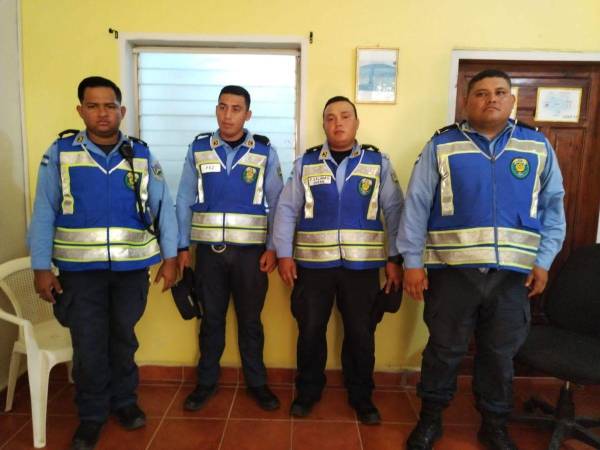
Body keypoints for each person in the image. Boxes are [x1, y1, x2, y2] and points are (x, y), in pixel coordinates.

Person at [398, 69, 566, 450]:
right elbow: (417, 205)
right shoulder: (442, 145)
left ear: (512, 100)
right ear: (466, 101)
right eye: (481, 93)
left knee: (499, 356)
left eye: (500, 92)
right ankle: (430, 419)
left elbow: (555, 209)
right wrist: (411, 261)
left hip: (513, 278)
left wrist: (544, 260)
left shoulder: (537, 146)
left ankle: (494, 424)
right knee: (443, 351)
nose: (491, 99)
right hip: (452, 274)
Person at [28, 76, 178, 450]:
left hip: (130, 271)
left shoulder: (141, 156)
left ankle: (125, 403)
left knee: (123, 339)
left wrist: (171, 258)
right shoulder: (60, 154)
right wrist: (41, 266)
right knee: (89, 344)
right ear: (80, 110)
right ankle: (92, 415)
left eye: (109, 106)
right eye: (93, 106)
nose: (102, 113)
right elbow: (43, 211)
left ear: (121, 111)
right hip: (79, 275)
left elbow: (165, 209)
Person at [273, 95, 404, 424]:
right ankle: (308, 392)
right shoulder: (306, 163)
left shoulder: (378, 163)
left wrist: (395, 259)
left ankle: (362, 396)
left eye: (345, 116)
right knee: (310, 331)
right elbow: (287, 209)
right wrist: (285, 254)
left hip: (362, 269)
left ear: (357, 123)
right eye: (330, 117)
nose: (338, 122)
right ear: (323, 125)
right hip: (313, 268)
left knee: (361, 334)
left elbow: (395, 211)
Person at [176, 85, 284, 412]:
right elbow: (183, 198)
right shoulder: (198, 148)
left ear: (247, 114)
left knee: (250, 321)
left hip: (252, 257)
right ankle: (206, 383)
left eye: (236, 109)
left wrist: (274, 248)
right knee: (211, 321)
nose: (228, 115)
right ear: (216, 110)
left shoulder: (265, 151)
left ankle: (257, 383)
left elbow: (279, 202)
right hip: (208, 254)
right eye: (223, 107)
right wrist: (182, 245)